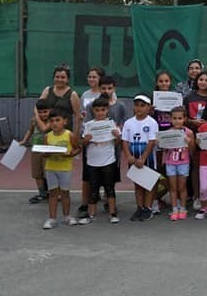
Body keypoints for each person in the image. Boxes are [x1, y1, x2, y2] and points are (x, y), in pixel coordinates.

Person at [79, 95, 122, 224]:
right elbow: (83, 143)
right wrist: (86, 140)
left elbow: (117, 143)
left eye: (103, 110)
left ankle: (113, 214)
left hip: (108, 160)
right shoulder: (88, 125)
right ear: (93, 110)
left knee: (109, 188)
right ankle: (91, 214)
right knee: (93, 188)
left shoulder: (112, 124)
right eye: (97, 110)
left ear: (107, 110)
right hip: (92, 161)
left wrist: (117, 136)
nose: (100, 112)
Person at [40, 109, 81, 229]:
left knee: (65, 193)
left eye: (57, 120)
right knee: (53, 194)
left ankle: (67, 216)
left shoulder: (69, 135)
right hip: (50, 168)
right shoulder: (47, 136)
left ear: (65, 121)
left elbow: (78, 148)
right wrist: (46, 154)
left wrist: (71, 154)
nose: (54, 123)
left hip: (65, 169)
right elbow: (44, 153)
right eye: (52, 121)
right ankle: (52, 218)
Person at [123, 94, 159, 222]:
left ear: (149, 107)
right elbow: (125, 141)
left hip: (148, 159)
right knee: (138, 185)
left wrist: (143, 158)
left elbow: (151, 142)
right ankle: (139, 207)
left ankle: (148, 208)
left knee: (148, 184)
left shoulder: (152, 122)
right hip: (134, 158)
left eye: (142, 105)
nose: (139, 108)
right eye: (137, 105)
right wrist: (128, 156)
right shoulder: (128, 123)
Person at [163, 106, 195, 221]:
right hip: (170, 162)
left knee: (182, 187)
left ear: (184, 119)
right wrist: (161, 143)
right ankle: (174, 208)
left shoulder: (189, 132)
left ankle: (183, 208)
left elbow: (193, 150)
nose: (177, 121)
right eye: (174, 118)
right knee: (173, 187)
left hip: (183, 162)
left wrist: (189, 142)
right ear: (170, 119)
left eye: (180, 118)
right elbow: (164, 149)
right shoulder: (167, 133)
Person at [23, 99, 52, 205]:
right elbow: (30, 130)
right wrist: (24, 140)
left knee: (48, 173)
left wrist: (36, 115)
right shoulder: (34, 120)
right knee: (37, 173)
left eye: (45, 111)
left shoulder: (52, 120)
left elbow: (44, 129)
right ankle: (42, 193)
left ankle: (52, 193)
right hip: (35, 150)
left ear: (50, 110)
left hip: (47, 152)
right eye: (40, 112)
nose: (42, 114)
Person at [38, 64, 82, 133]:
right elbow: (37, 108)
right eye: (57, 77)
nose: (59, 79)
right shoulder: (47, 90)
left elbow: (78, 116)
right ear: (53, 78)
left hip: (65, 133)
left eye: (63, 77)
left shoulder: (72, 94)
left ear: (67, 79)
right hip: (49, 133)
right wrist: (43, 126)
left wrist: (76, 134)